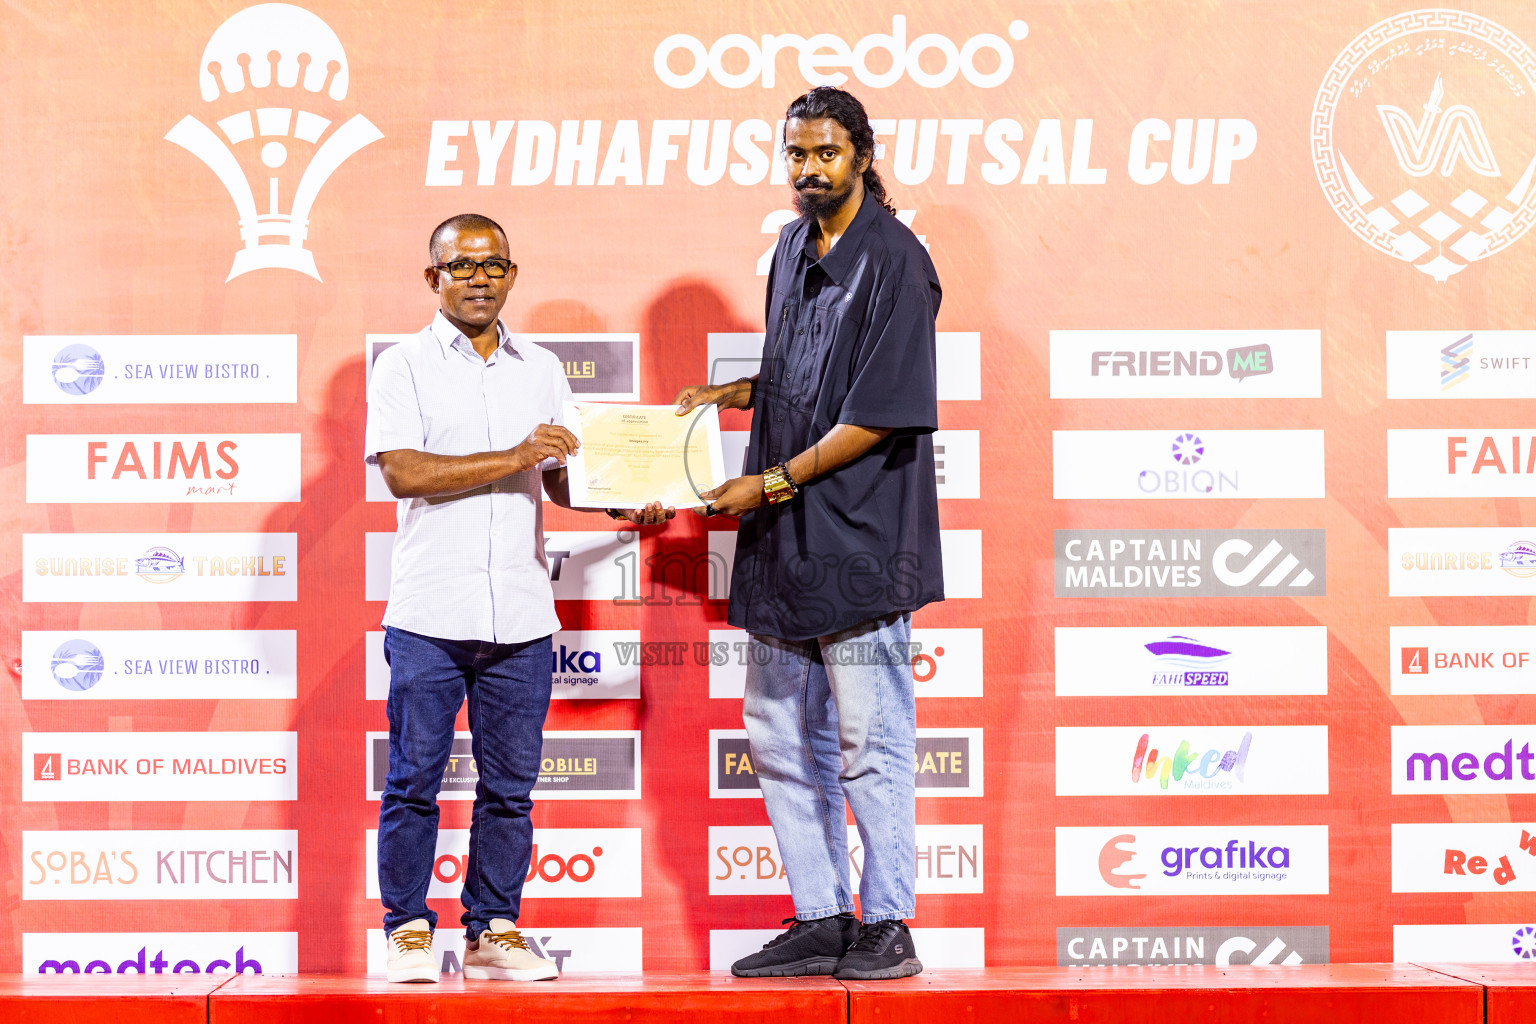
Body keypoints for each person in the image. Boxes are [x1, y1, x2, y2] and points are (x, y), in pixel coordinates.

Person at [673, 86, 943, 980]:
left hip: (861, 547)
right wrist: (736, 393)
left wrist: (773, 480)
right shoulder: (791, 246)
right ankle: (824, 914)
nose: (809, 171)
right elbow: (801, 372)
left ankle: (889, 923)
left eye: (826, 154)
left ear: (864, 155)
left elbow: (877, 414)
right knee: (782, 739)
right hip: (784, 547)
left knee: (872, 741)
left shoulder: (900, 261)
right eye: (796, 155)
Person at [365, 213, 671, 983]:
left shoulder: (541, 367)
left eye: (492, 265)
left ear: (511, 274)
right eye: (460, 266)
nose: (477, 278)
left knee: (511, 790)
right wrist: (514, 456)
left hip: (525, 619)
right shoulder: (401, 366)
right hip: (430, 615)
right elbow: (404, 473)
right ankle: (405, 928)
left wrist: (625, 499)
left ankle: (493, 928)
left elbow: (563, 476)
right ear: (431, 277)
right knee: (412, 782)